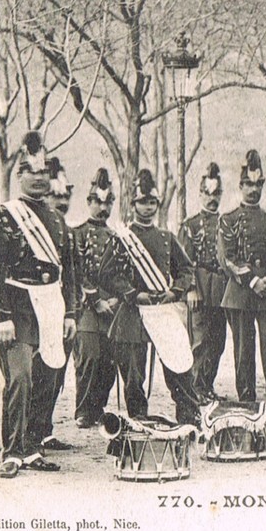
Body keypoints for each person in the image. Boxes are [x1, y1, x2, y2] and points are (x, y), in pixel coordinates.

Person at [0, 132, 77, 479]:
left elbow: (69, 273)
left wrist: (69, 313)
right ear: (20, 174)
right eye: (30, 171)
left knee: (47, 379)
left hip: (50, 307)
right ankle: (13, 450)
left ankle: (34, 447)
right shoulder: (4, 217)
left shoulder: (58, 221)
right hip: (17, 309)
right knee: (20, 378)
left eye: (43, 171)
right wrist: (0, 316)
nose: (37, 177)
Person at [99, 169, 202, 425]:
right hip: (134, 311)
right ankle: (139, 420)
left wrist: (175, 291)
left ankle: (188, 418)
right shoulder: (122, 239)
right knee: (134, 373)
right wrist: (133, 294)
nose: (148, 207)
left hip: (162, 308)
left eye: (152, 202)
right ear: (133, 204)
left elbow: (186, 269)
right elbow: (106, 273)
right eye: (143, 202)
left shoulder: (166, 237)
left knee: (178, 364)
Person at [216, 150, 266, 408]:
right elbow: (228, 258)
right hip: (240, 293)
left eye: (258, 184)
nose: (253, 189)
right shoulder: (228, 220)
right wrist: (252, 281)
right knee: (243, 351)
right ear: (240, 186)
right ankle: (247, 400)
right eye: (248, 184)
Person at [26, 157, 77, 453]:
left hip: (60, 312)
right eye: (55, 195)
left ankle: (44, 430)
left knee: (55, 375)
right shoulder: (34, 228)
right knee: (36, 374)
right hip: (34, 310)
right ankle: (29, 434)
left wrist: (71, 312)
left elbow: (72, 276)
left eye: (65, 195)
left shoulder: (65, 230)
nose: (61, 201)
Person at [71, 168, 122, 429]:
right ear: (89, 203)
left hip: (112, 306)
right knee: (89, 356)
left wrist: (115, 300)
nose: (102, 208)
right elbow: (77, 271)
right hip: (88, 307)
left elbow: (122, 273)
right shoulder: (77, 234)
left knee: (108, 361)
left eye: (107, 203)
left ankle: (98, 407)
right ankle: (83, 409)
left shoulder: (117, 237)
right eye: (98, 202)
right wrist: (96, 301)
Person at [178, 163, 229, 399]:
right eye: (207, 193)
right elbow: (183, 264)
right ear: (200, 194)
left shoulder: (226, 224)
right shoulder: (189, 226)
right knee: (199, 342)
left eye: (216, 193)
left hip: (220, 289)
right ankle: (195, 389)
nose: (212, 198)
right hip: (198, 289)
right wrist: (190, 290)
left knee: (217, 342)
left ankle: (207, 387)